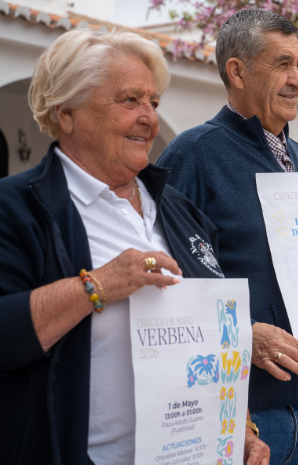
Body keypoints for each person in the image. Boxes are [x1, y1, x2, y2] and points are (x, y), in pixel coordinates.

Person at [0, 29, 269, 464]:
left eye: (154, 103)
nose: (150, 118)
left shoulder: (180, 210)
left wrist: (239, 428)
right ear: (67, 113)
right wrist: (97, 286)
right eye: (130, 101)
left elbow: (212, 339)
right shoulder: (16, 208)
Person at [157, 8, 298, 464]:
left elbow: (288, 258)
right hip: (242, 412)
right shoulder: (195, 154)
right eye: (282, 64)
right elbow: (171, 280)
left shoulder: (296, 155)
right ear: (237, 71)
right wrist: (242, 336)